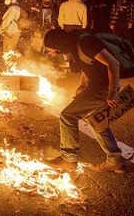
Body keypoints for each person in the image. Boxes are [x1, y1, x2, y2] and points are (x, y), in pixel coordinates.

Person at [43, 29, 126, 173]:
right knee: (96, 121)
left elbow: (113, 64)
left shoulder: (86, 43)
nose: (50, 53)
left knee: (67, 116)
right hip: (96, 86)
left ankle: (69, 159)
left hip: (103, 88)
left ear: (59, 44)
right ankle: (115, 161)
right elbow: (88, 67)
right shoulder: (74, 46)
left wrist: (112, 93)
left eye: (51, 49)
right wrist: (82, 86)